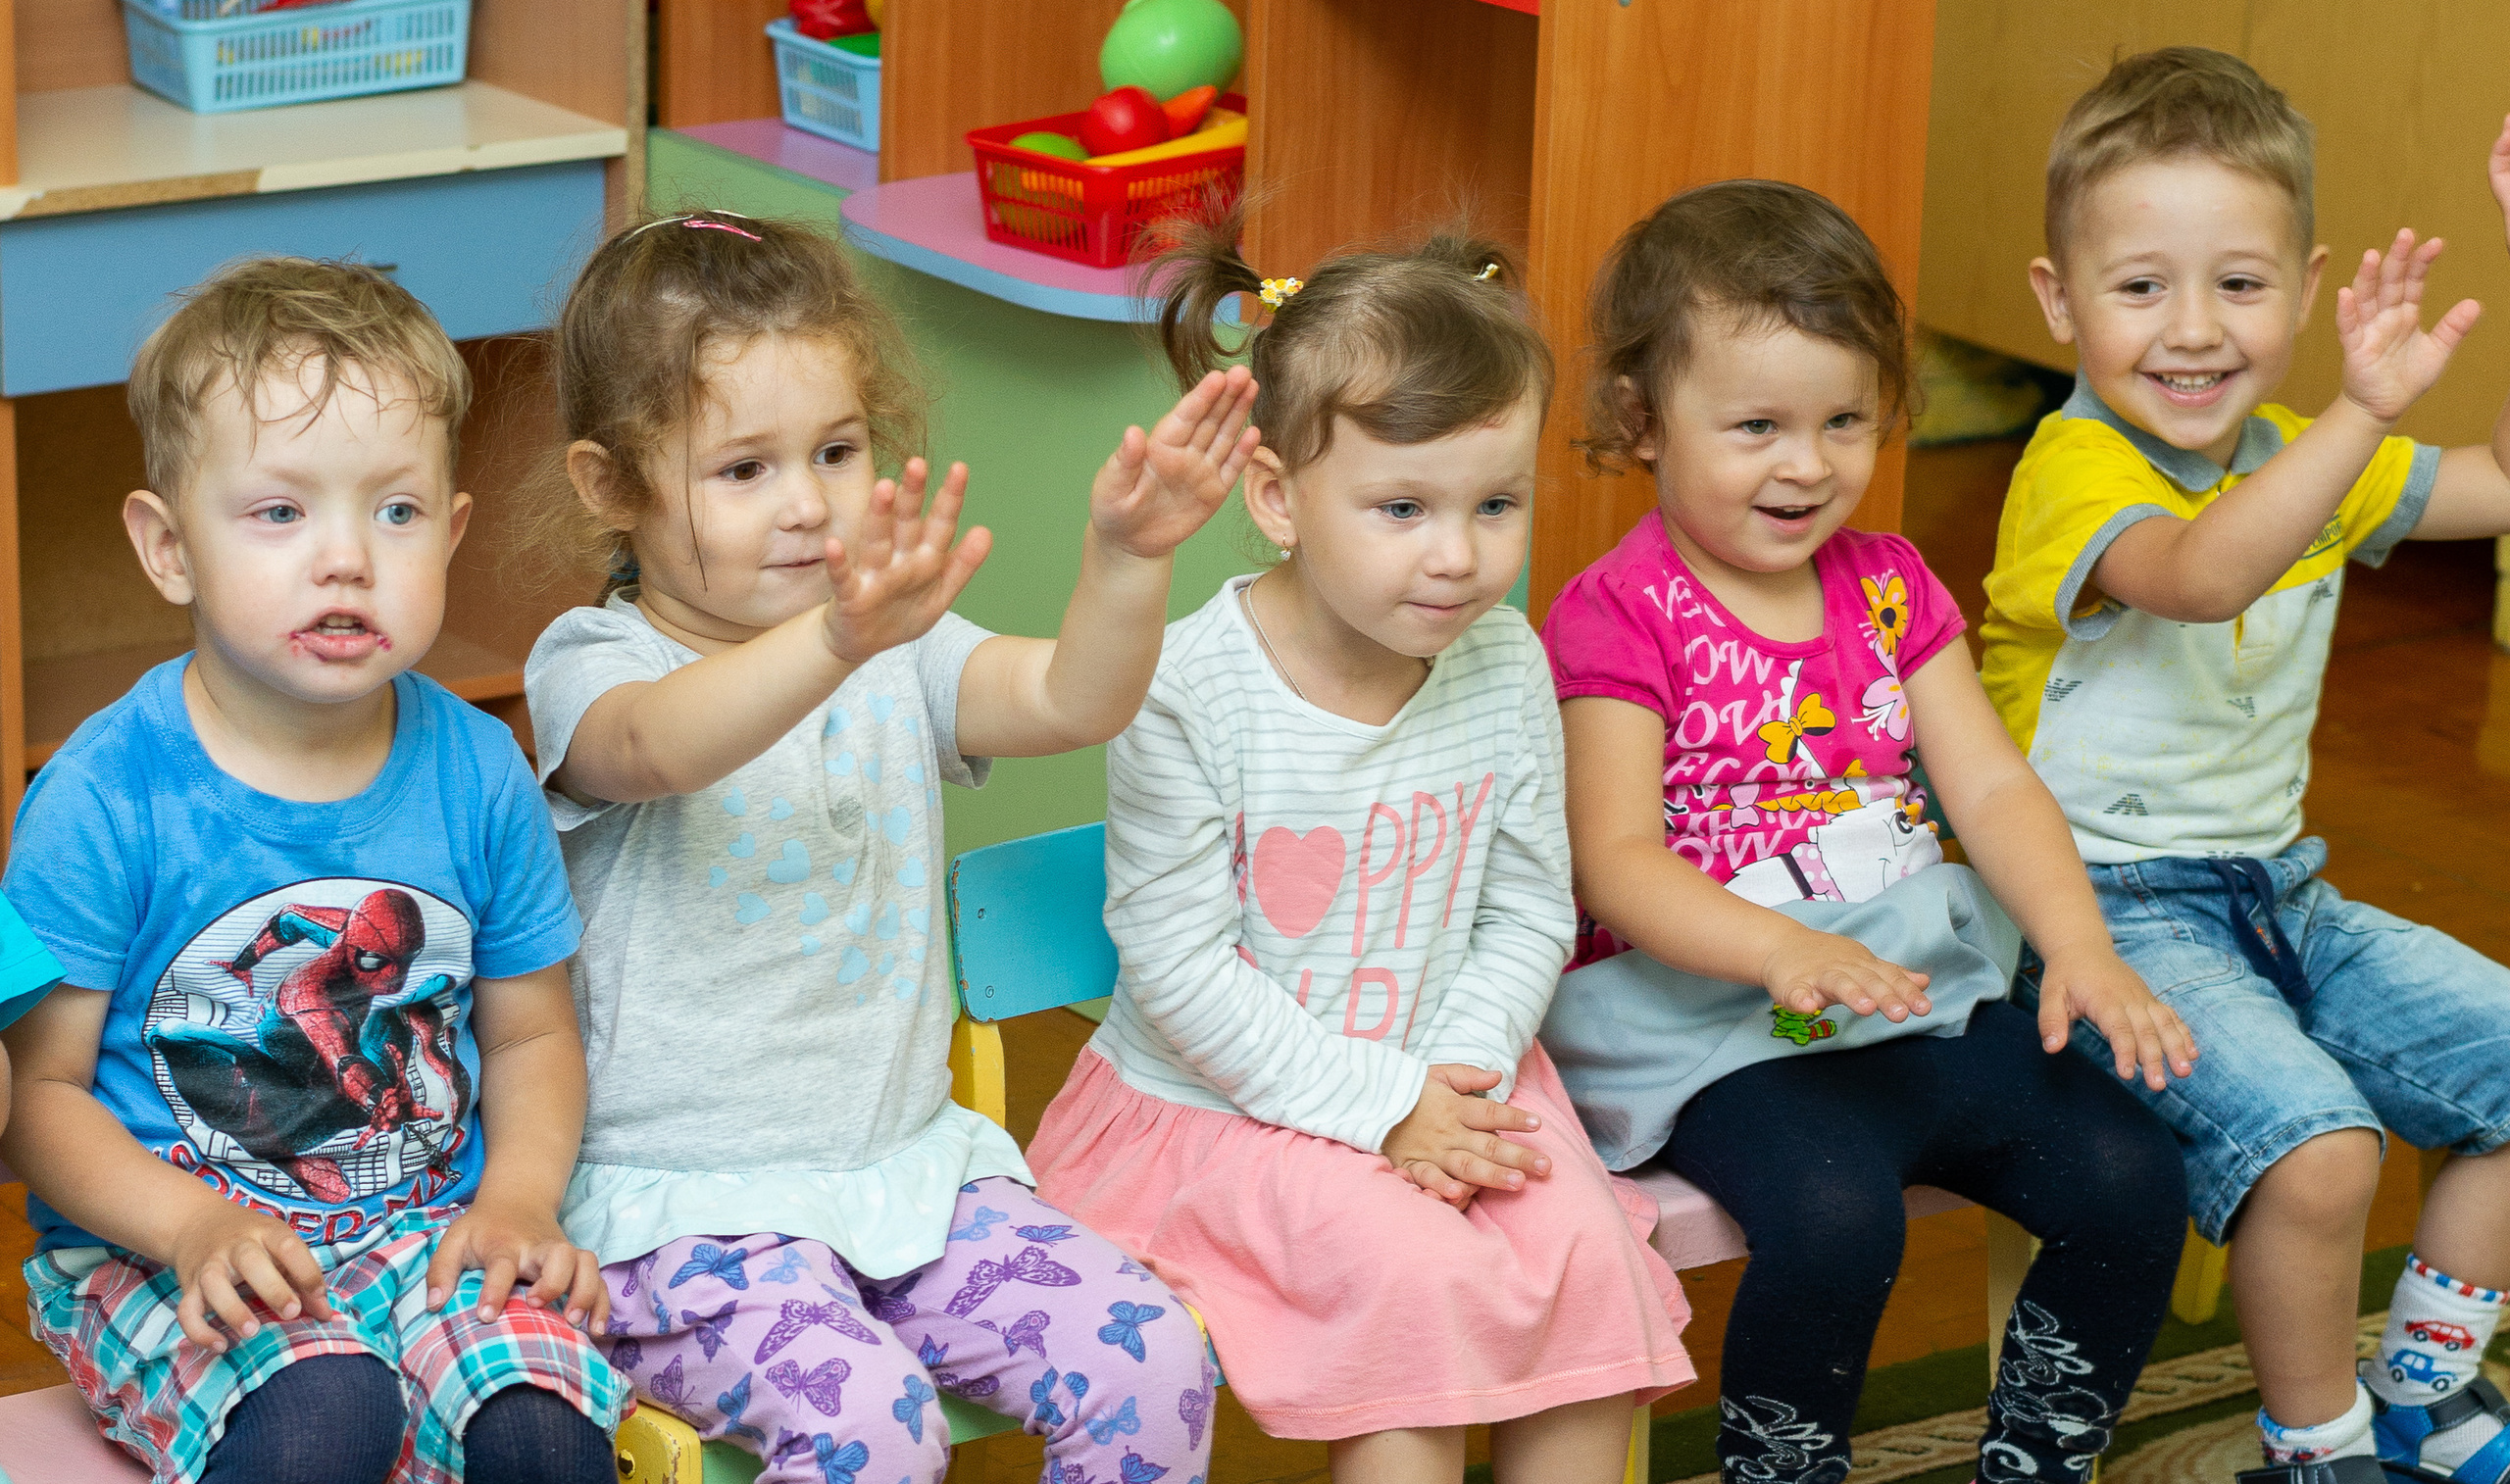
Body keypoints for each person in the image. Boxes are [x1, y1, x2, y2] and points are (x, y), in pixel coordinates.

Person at [523, 211, 1251, 1484]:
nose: (809, 503)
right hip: (684, 1222)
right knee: (871, 1426)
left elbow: (1074, 699)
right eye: (743, 468)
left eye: (839, 449)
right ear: (609, 484)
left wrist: (1130, 558)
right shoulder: (599, 663)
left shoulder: (889, 643)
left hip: (915, 1185)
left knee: (1154, 1356)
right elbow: (656, 749)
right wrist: (842, 643)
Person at [1539, 180, 2195, 1484]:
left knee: (2128, 1168)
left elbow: (1996, 790)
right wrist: (1780, 950)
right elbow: (1613, 854)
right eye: (1758, 425)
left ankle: (2040, 1459)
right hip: (1719, 1030)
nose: (1809, 461)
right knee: (1837, 1219)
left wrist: (2078, 946)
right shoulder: (1620, 612)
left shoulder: (1893, 587)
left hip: (1913, 1002)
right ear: (1640, 420)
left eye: (1844, 418)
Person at [1027, 211, 1693, 1484]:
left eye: (1496, 502)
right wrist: (1388, 1107)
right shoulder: (1189, 686)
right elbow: (1175, 966)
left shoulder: (1503, 657)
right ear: (1277, 494)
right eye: (1402, 506)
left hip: (1452, 1081)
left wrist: (1455, 1075)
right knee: (1418, 1279)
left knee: (1586, 1256)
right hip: (1224, 1110)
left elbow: (1527, 909)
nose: (1458, 554)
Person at [0, 258, 625, 1484]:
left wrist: (521, 1200)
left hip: (431, 1229)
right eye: (280, 513)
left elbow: (534, 1037)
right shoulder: (102, 796)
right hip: (163, 1246)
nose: (346, 558)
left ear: (450, 531)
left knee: (543, 1440)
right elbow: (44, 1099)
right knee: (329, 1415)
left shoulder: (480, 770)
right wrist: (195, 1227)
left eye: (393, 513)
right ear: (169, 547)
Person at [1983, 46, 2510, 1484]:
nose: (2195, 329)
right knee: (2322, 1150)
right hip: (2094, 920)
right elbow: (2204, 572)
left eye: (2240, 282)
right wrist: (2361, 416)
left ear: (2307, 281)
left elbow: (2501, 484)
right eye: (2141, 285)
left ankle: (2423, 1386)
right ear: (2058, 299)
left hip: (2279, 892)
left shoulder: (2300, 454)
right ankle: (2315, 1443)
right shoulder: (2075, 469)